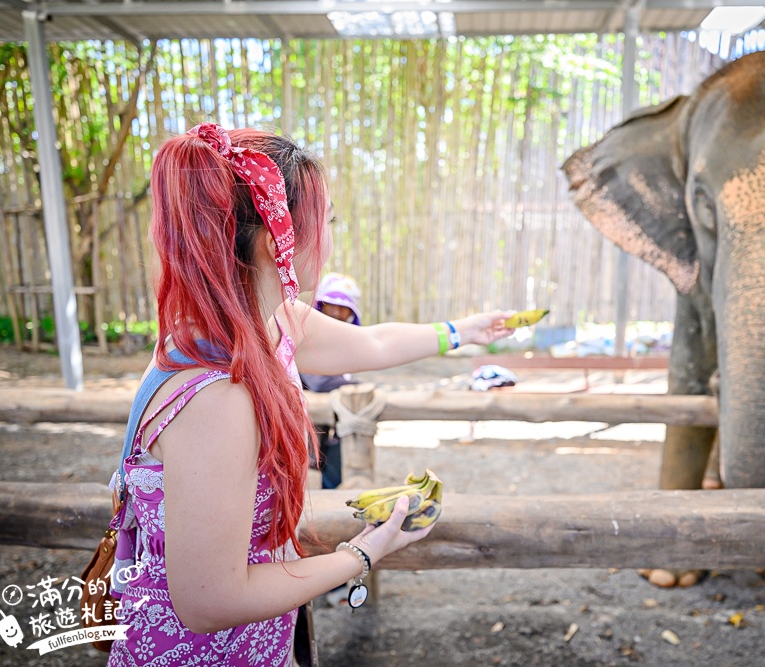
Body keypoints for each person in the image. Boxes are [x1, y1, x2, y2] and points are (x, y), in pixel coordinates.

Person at [106, 123, 512, 666]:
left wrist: (464, 330)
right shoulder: (219, 396)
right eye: (321, 222)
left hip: (258, 642)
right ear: (270, 237)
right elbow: (209, 601)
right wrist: (363, 553)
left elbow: (372, 342)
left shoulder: (263, 322)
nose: (327, 239)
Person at [300, 272, 363, 490]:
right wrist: (358, 389)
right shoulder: (308, 337)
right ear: (321, 305)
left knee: (336, 478)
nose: (337, 312)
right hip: (310, 425)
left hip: (336, 427)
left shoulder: (349, 342)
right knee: (307, 480)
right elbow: (319, 382)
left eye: (343, 307)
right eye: (331, 304)